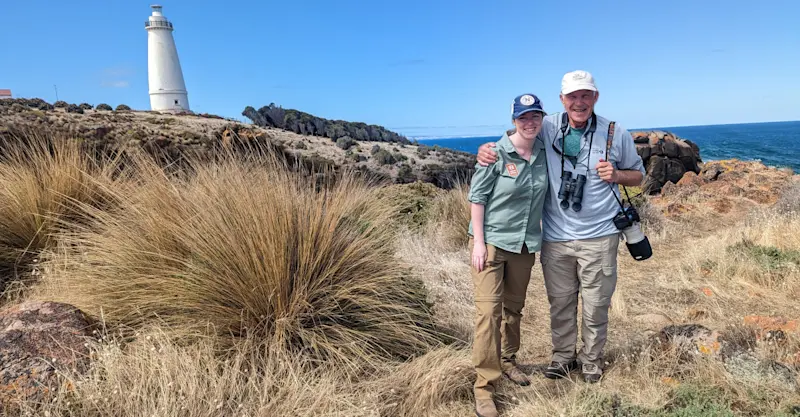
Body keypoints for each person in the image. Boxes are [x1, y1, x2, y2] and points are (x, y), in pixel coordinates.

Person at [476, 70, 645, 384]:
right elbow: (518, 135)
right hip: (555, 237)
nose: (579, 103)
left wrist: (618, 175)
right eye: (572, 96)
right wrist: (489, 150)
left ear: (595, 97)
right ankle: (563, 357)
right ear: (561, 99)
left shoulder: (614, 132)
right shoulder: (548, 125)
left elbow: (638, 175)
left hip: (600, 235)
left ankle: (592, 361)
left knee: (596, 305)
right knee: (561, 303)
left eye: (585, 95)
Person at [467, 93, 549, 417]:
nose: (529, 123)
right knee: (489, 313)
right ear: (513, 120)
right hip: (492, 244)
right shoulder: (495, 153)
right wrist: (478, 243)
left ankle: (508, 360)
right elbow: (477, 198)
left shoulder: (546, 151)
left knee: (514, 309)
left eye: (535, 117)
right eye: (523, 117)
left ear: (542, 119)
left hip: (526, 244)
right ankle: (484, 387)